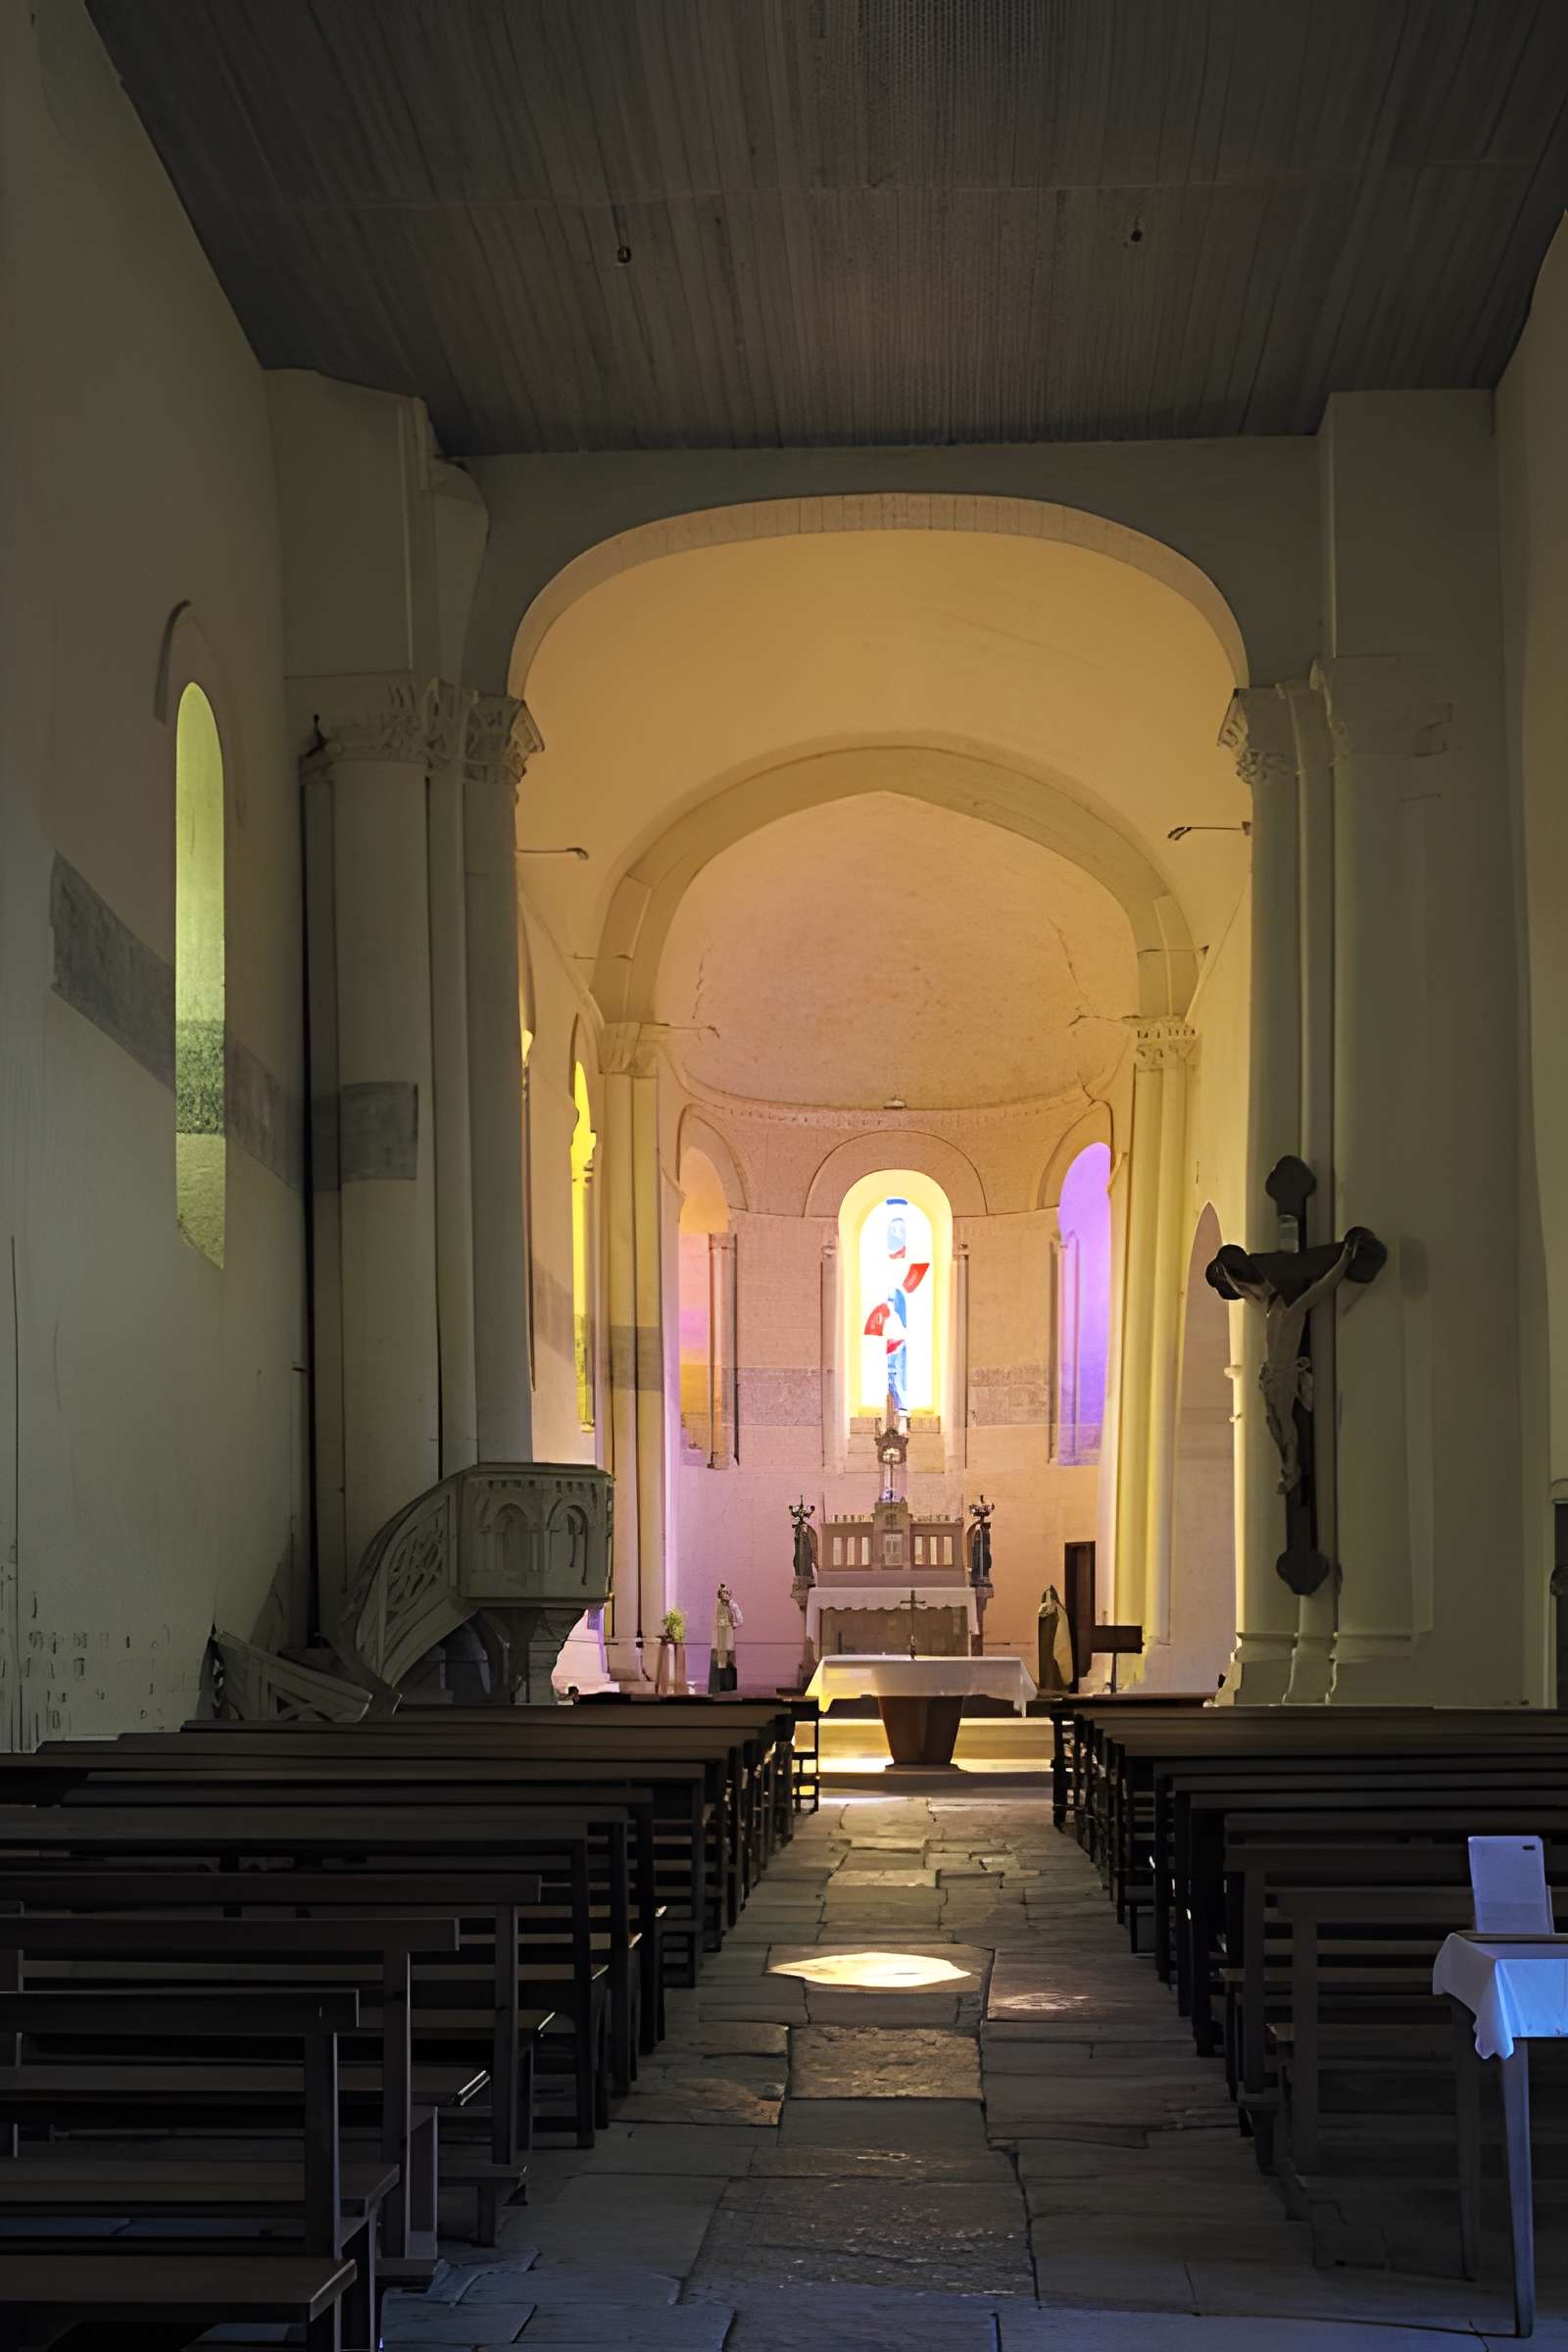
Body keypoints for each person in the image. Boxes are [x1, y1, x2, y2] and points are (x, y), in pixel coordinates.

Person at [710, 1582, 744, 1692]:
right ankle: (718, 1687)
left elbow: (740, 1620)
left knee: (729, 1663)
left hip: (728, 1640)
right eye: (723, 1592)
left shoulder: (732, 1606)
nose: (726, 1594)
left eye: (728, 1593)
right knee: (718, 1663)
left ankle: (728, 1686)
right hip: (718, 1641)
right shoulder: (717, 1606)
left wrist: (734, 1624)